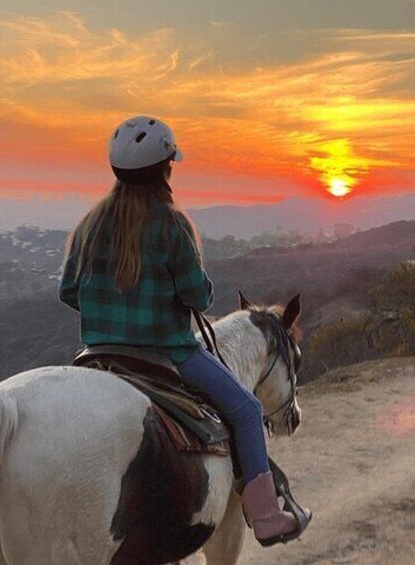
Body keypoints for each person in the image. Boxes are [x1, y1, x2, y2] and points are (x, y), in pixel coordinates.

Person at [59, 115, 310, 546]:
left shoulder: (88, 225)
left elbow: (68, 292)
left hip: (96, 355)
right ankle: (267, 517)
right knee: (248, 411)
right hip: (167, 353)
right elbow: (200, 297)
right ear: (166, 169)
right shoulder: (171, 225)